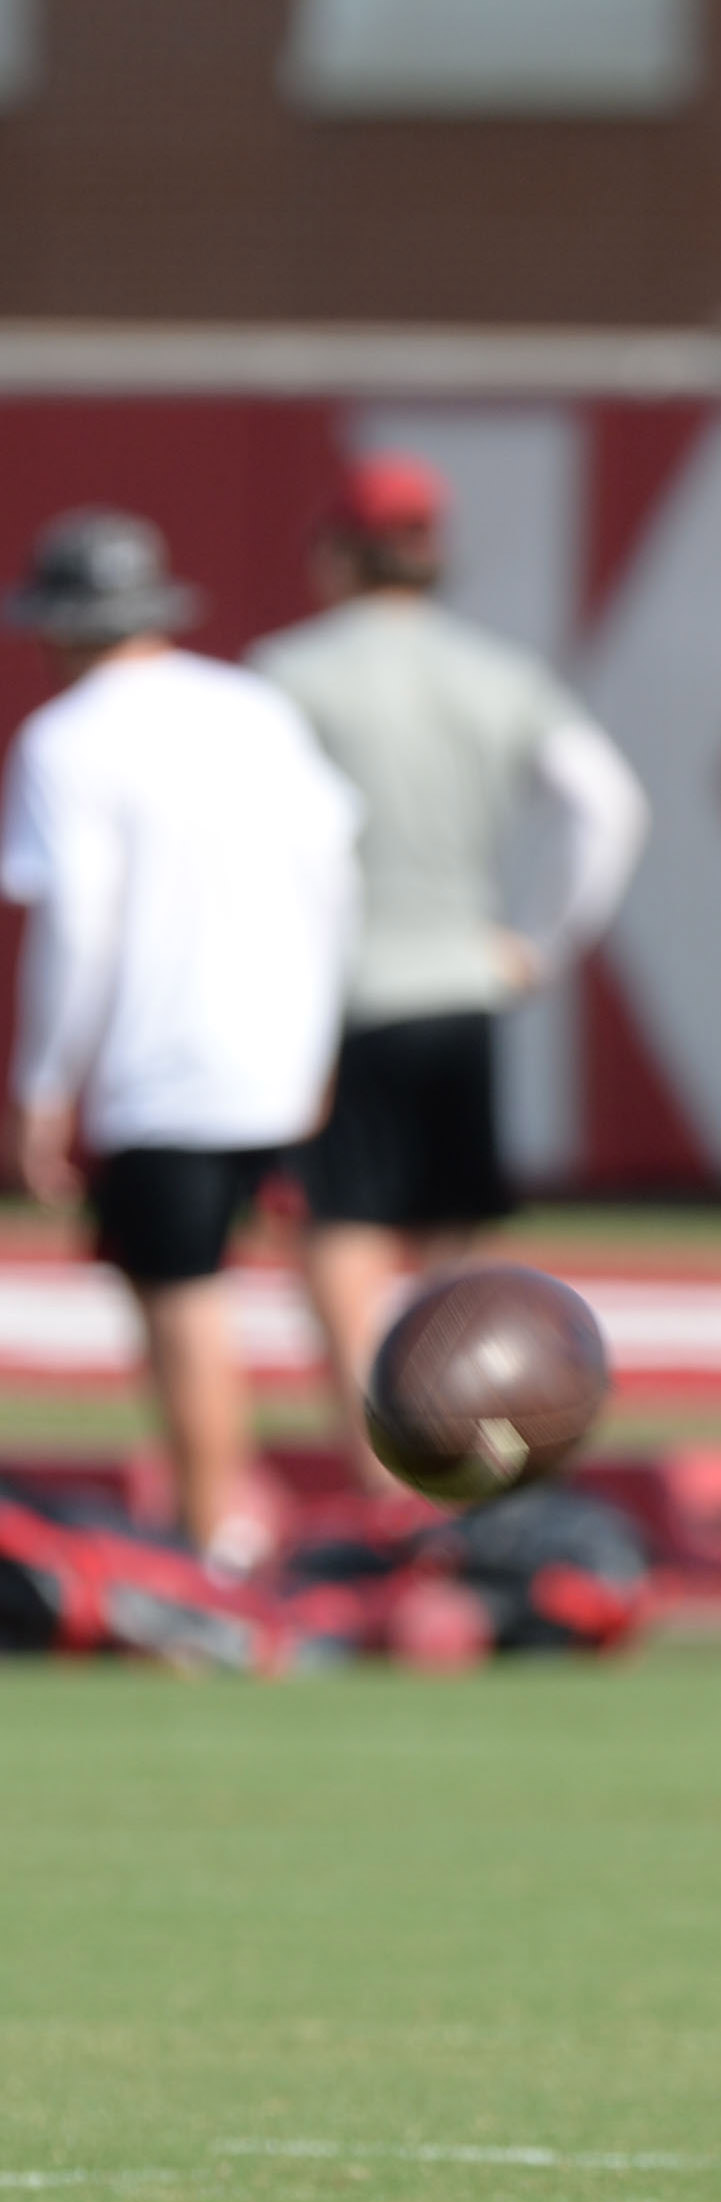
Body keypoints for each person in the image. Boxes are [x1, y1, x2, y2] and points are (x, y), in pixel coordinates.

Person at [250, 452, 649, 1485]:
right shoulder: (497, 673)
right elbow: (608, 806)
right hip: (459, 982)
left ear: (339, 552)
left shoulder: (290, 673)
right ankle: (464, 1445)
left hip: (338, 990)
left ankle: (385, 1460)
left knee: (341, 1231)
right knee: (447, 1243)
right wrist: (538, 943)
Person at [1, 510, 361, 1570]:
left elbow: (78, 924)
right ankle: (363, 1502)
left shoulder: (65, 741)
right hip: (273, 1050)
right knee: (312, 1273)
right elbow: (330, 879)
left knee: (179, 1297)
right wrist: (317, 1035)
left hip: (160, 1062)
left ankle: (218, 1535)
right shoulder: (254, 710)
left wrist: (41, 1082)